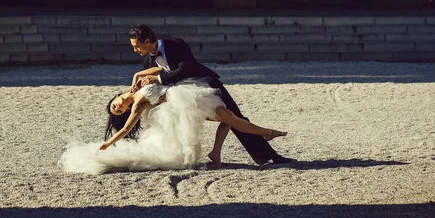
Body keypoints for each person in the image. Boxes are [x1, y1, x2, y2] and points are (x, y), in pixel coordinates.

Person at [128, 24, 293, 166]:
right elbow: (153, 80)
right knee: (230, 118)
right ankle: (225, 150)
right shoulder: (148, 61)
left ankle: (269, 155)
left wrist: (157, 78)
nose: (134, 50)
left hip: (208, 84)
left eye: (136, 46)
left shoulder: (176, 45)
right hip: (189, 96)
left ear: (148, 42)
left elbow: (186, 68)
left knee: (235, 117)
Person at [58, 75, 287, 175]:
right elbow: (127, 129)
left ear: (117, 96)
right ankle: (267, 133)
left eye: (115, 105)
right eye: (118, 110)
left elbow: (157, 72)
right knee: (228, 116)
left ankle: (216, 151)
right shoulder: (137, 105)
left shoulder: (137, 84)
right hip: (183, 102)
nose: (118, 108)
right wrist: (107, 144)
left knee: (226, 116)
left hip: (185, 93)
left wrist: (143, 74)